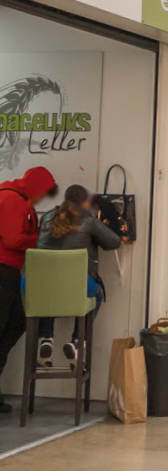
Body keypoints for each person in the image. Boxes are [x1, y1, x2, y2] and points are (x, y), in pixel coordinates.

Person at [36, 184, 122, 368]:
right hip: (76, 286)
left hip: (41, 286)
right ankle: (77, 343)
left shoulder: (46, 217)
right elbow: (114, 241)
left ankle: (46, 339)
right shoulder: (89, 220)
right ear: (84, 201)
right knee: (95, 295)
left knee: (49, 294)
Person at [0, 166, 57, 413]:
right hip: (3, 270)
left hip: (9, 272)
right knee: (8, 326)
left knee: (14, 325)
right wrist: (40, 240)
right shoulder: (12, 199)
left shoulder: (17, 198)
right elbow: (13, 239)